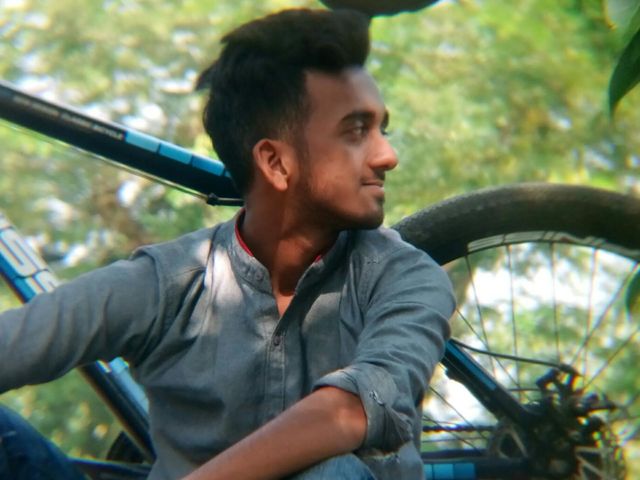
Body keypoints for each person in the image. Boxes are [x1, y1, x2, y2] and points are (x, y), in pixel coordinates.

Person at [0, 8, 454, 480]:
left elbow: (351, 411)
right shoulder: (169, 284)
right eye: (356, 131)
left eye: (382, 129)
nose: (387, 155)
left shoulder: (406, 277)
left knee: (336, 473)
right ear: (275, 162)